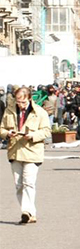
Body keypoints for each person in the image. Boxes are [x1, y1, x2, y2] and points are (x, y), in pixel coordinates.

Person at [0, 87, 51, 224]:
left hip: (32, 151)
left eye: (22, 102)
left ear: (29, 99)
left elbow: (46, 131)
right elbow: (2, 128)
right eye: (17, 101)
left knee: (28, 182)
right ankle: (30, 212)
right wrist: (7, 134)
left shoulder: (39, 112)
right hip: (15, 151)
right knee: (18, 184)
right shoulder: (9, 111)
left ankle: (26, 211)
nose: (20, 104)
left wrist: (33, 135)